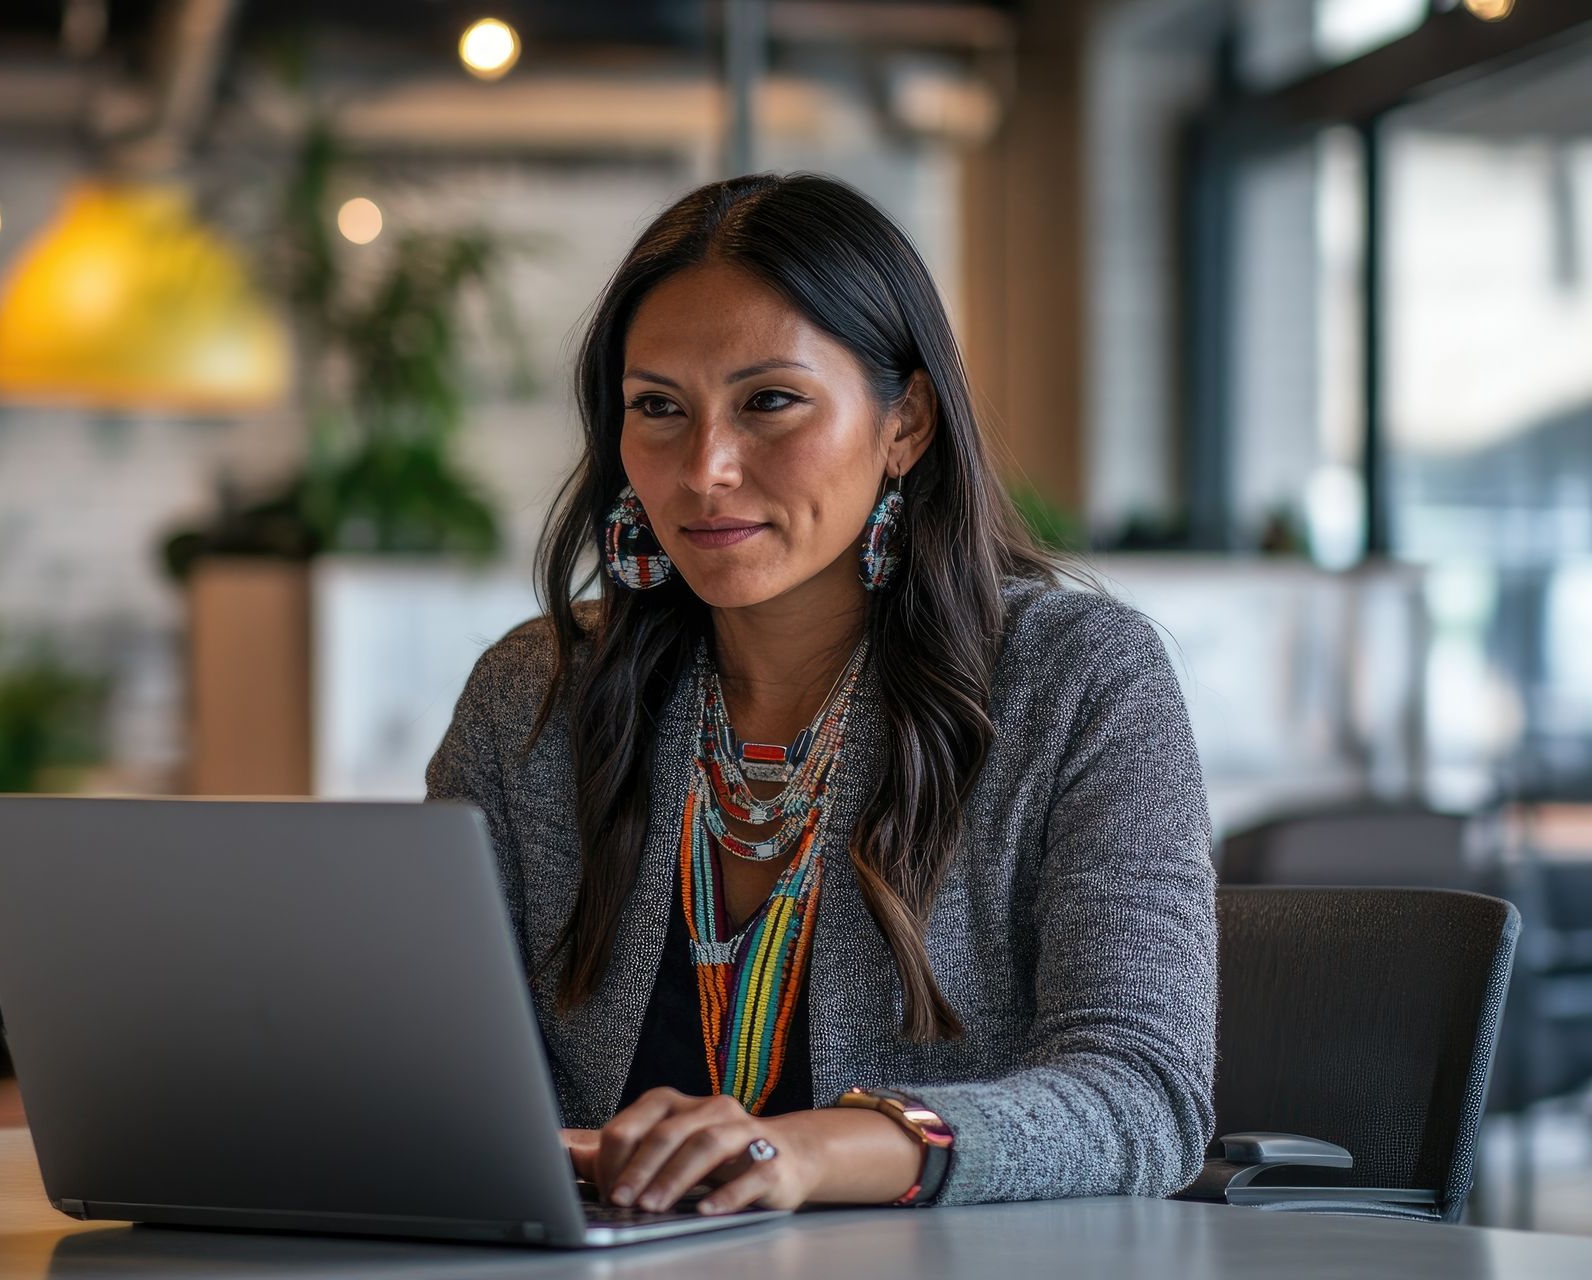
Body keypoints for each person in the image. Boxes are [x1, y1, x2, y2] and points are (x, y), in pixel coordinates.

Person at [425, 172, 1215, 1217]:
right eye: (658, 407)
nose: (705, 468)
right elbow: (439, 1066)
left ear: (907, 422)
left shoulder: (1079, 679)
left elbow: (1144, 1094)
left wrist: (809, 1150)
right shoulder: (534, 693)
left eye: (770, 402)